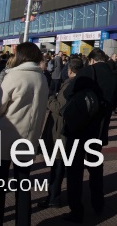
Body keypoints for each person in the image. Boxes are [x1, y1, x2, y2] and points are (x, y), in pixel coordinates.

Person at [0, 42, 50, 226]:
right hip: (29, 135)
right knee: (24, 183)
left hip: (7, 134)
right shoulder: (42, 78)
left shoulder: (14, 76)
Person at [63, 48, 117, 223]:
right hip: (98, 129)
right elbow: (114, 103)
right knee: (95, 168)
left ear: (92, 60)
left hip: (79, 128)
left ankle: (76, 209)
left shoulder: (88, 71)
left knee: (74, 170)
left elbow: (67, 93)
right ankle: (98, 203)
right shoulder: (115, 77)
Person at [44, 57, 84, 208]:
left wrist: (50, 100)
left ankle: (54, 197)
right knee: (69, 166)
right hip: (75, 129)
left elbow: (60, 108)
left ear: (69, 71)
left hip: (62, 129)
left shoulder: (69, 85)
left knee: (58, 165)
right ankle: (68, 199)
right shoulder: (84, 84)